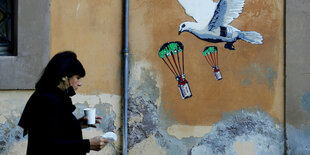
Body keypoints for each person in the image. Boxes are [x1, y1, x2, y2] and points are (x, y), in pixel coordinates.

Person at [18, 51, 108, 155]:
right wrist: (88, 145)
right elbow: (46, 145)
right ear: (64, 76)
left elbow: (55, 130)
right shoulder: (47, 100)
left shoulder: (54, 96)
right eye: (77, 78)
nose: (80, 83)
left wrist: (77, 124)